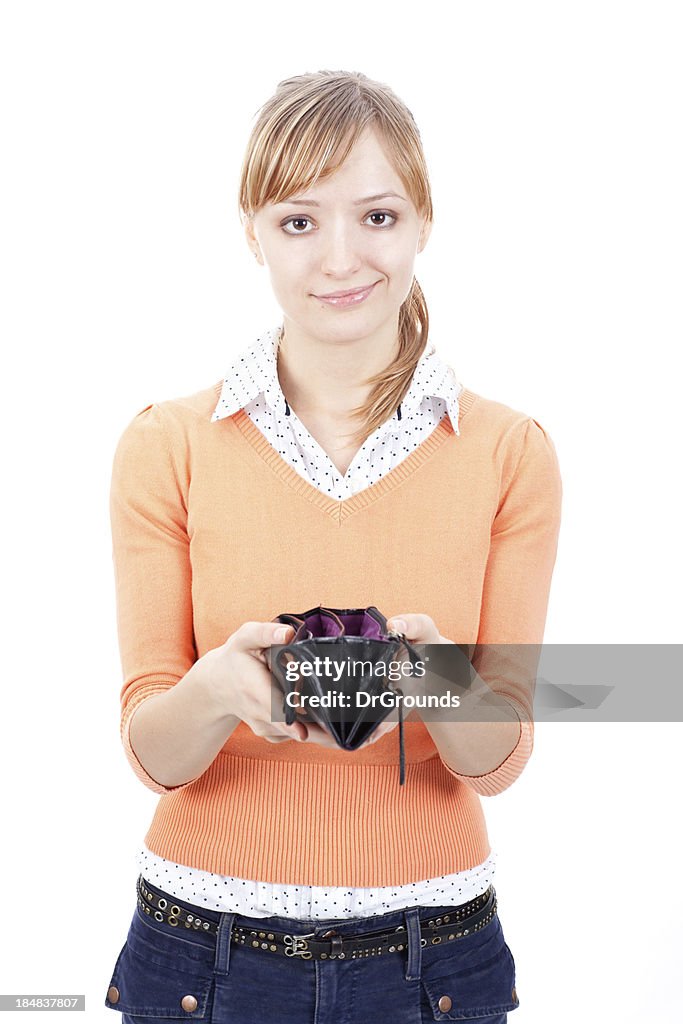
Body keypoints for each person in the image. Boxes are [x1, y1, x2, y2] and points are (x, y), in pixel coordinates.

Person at [104, 70, 562, 1024]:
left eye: (379, 217)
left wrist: (436, 681)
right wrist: (216, 689)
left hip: (431, 957)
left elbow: (504, 751)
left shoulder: (509, 453)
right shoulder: (167, 445)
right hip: (202, 949)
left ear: (424, 223)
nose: (341, 258)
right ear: (252, 232)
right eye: (299, 221)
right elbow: (152, 745)